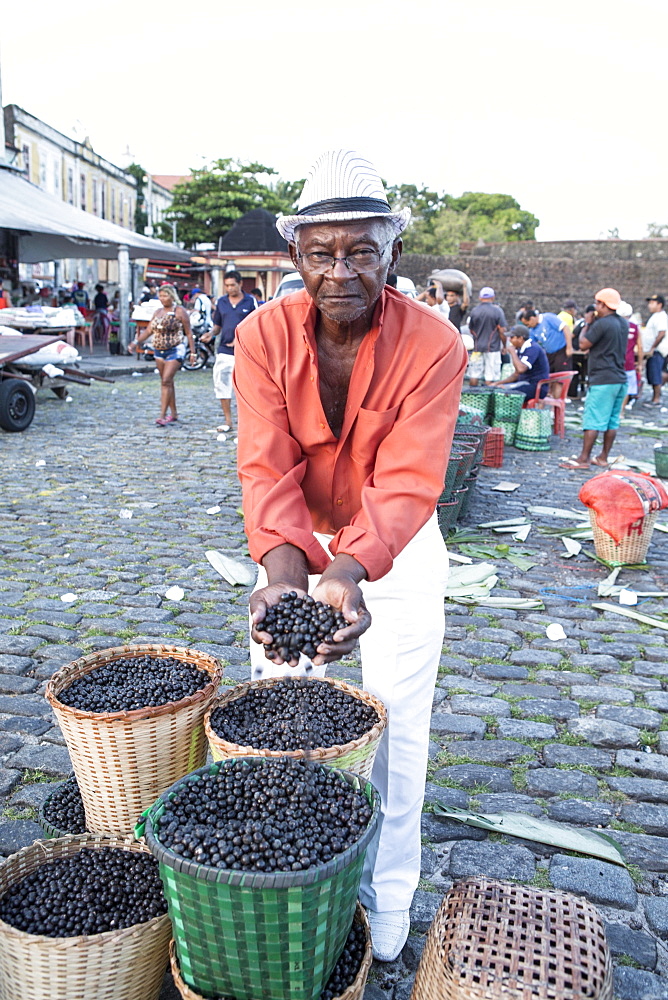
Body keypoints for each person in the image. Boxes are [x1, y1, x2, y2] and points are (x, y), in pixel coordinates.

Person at [233, 149, 467, 963]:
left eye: (361, 250)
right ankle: (295, 879)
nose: (342, 271)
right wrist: (286, 579)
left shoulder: (434, 345)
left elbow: (408, 482)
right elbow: (266, 466)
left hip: (395, 552)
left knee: (396, 731)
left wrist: (349, 572)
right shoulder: (261, 334)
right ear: (295, 257)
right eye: (323, 253)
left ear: (392, 255)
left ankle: (386, 902)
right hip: (296, 549)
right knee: (282, 720)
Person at [560, 288, 627, 470]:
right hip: (620, 378)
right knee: (612, 421)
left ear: (603, 305)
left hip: (603, 379)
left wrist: (587, 324)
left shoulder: (601, 324)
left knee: (593, 419)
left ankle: (584, 458)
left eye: (598, 303)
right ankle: (603, 457)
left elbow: (583, 344)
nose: (596, 307)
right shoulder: (623, 323)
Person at [128, 283, 196, 425]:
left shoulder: (179, 311)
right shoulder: (158, 312)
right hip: (158, 350)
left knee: (166, 381)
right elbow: (148, 331)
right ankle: (174, 413)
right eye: (161, 296)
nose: (163, 298)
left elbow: (188, 333)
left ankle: (162, 415)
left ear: (172, 297)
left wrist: (193, 353)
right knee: (167, 382)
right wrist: (136, 342)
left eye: (165, 295)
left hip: (175, 349)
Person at [202, 271, 257, 435]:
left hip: (245, 351)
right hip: (224, 350)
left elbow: (256, 325)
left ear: (240, 284)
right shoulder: (221, 302)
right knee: (222, 384)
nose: (230, 288)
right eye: (227, 285)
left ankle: (247, 422)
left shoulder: (250, 301)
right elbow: (218, 326)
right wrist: (210, 334)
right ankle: (228, 420)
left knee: (247, 387)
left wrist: (240, 339)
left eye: (232, 285)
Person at [520, 309, 572, 396]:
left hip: (561, 350)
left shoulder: (548, 318)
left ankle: (558, 401)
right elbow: (531, 343)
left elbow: (565, 328)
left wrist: (569, 347)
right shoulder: (533, 330)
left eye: (528, 323)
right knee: (547, 378)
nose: (528, 326)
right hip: (548, 353)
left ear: (532, 318)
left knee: (559, 379)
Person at [490, 325, 550, 400]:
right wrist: (498, 383)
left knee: (502, 394)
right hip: (524, 383)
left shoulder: (532, 348)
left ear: (520, 338)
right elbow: (516, 374)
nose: (509, 340)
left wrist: (512, 353)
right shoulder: (520, 349)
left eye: (512, 337)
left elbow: (521, 369)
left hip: (536, 386)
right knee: (496, 389)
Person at [468, 287, 507, 385]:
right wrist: (504, 346)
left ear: (480, 298)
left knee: (474, 374)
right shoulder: (497, 311)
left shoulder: (474, 311)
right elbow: (502, 331)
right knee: (490, 375)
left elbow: (471, 330)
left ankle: (472, 397)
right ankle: (488, 399)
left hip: (477, 348)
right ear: (493, 297)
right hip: (492, 348)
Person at [642, 294, 668, 405]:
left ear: (659, 304)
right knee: (654, 373)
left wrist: (652, 347)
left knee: (655, 373)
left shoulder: (661, 317)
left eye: (652, 303)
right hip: (654, 350)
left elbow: (661, 333)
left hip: (657, 350)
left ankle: (656, 398)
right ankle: (655, 396)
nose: (649, 305)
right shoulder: (655, 316)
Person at [618, 301, 643, 411]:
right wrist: (640, 364)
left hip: (615, 361)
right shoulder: (635, 327)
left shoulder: (615, 325)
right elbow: (640, 347)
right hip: (629, 361)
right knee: (626, 388)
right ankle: (621, 412)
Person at [569, 304, 595, 398]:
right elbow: (572, 335)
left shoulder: (596, 325)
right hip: (577, 351)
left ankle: (587, 392)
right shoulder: (582, 324)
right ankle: (573, 392)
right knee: (575, 368)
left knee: (588, 370)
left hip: (587, 354)